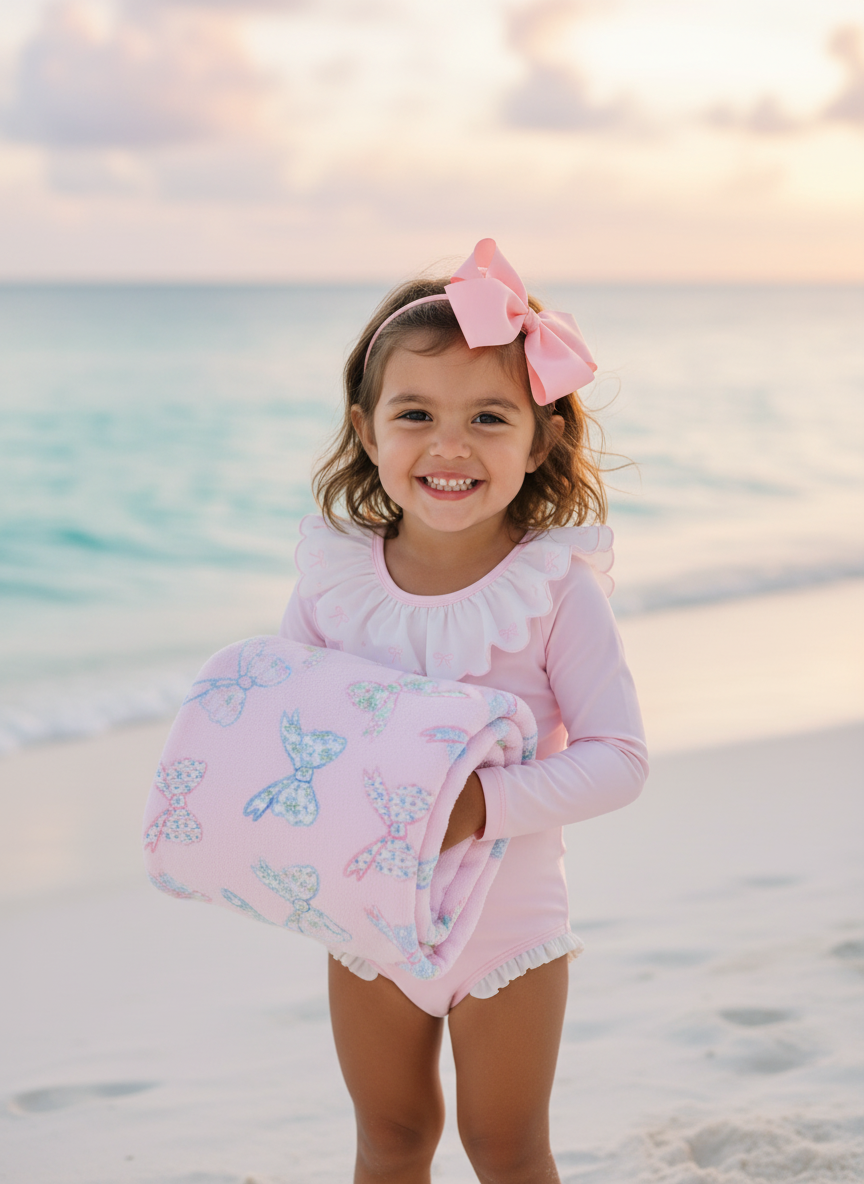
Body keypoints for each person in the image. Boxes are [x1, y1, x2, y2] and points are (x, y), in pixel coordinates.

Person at [280, 238, 647, 1183]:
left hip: (507, 931)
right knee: (391, 1141)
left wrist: (479, 806)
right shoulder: (332, 583)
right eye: (415, 414)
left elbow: (618, 757)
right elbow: (290, 730)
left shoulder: (555, 589)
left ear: (541, 440)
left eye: (489, 417)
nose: (449, 445)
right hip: (366, 923)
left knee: (507, 1149)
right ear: (367, 433)